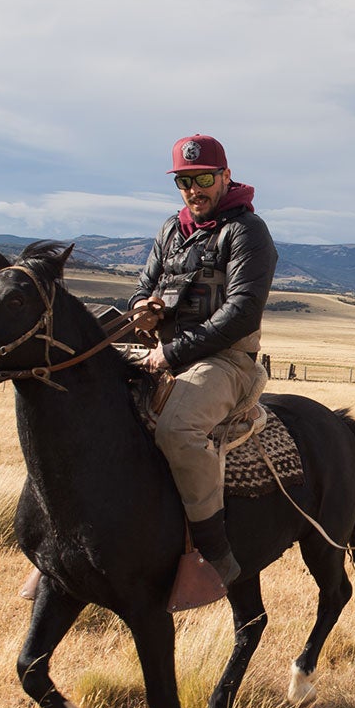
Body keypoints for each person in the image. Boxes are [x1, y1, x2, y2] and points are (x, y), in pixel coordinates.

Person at [127, 135, 275, 586]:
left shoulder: (248, 232)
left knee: (178, 428)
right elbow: (143, 284)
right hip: (163, 352)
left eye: (204, 179)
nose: (195, 190)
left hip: (226, 361)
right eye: (185, 182)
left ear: (225, 176)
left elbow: (241, 313)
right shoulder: (171, 230)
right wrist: (141, 309)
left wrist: (169, 353)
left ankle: (214, 553)